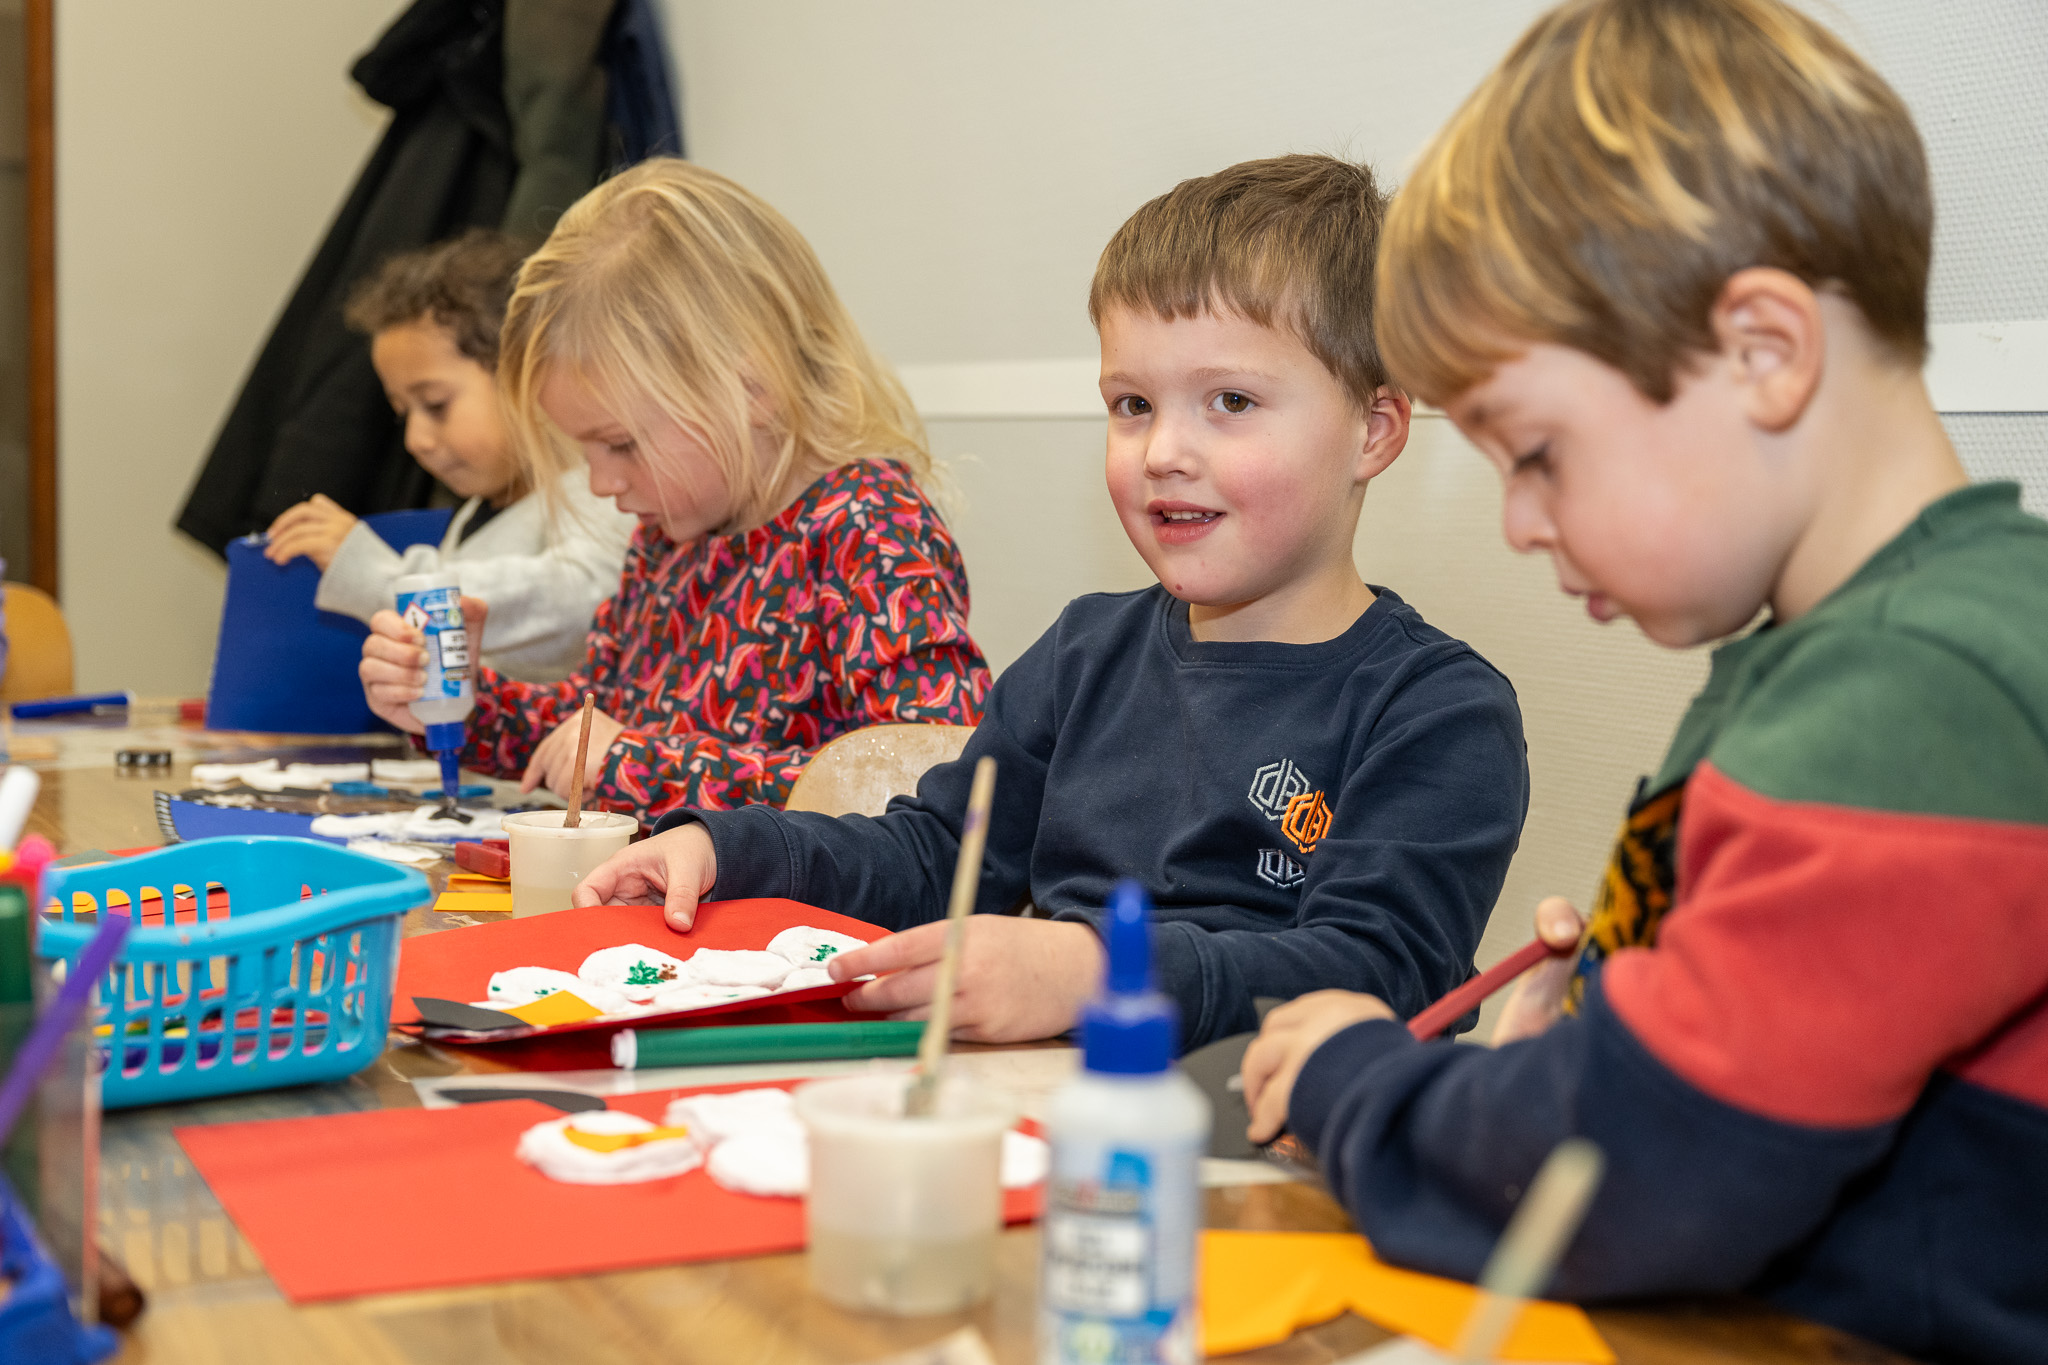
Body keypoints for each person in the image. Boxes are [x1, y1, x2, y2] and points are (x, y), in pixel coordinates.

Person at [1239, 4, 2048, 1363]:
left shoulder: (1923, 685)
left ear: (1765, 353)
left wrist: (1357, 1079)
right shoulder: (1827, 661)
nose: (1519, 522)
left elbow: (1649, 1163)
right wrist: (1586, 1025)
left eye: (1538, 452)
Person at [578, 155, 1529, 1052]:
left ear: (1374, 428)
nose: (1163, 451)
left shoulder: (1440, 713)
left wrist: (1093, 971)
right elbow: (935, 856)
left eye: (1231, 401)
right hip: (1046, 1116)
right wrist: (729, 844)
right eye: (1132, 404)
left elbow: (1380, 972)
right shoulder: (1086, 654)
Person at [357, 160, 990, 824]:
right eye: (588, 451)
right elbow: (596, 722)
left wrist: (638, 764)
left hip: (809, 929)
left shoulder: (870, 529)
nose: (603, 483)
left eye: (622, 444)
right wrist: (460, 703)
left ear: (752, 386)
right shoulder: (667, 541)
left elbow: (932, 779)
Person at [265, 230, 636, 683]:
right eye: (403, 414)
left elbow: (580, 600)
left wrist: (386, 581)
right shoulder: (474, 516)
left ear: (525, 374)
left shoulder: (600, 490)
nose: (416, 440)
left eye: (436, 404)